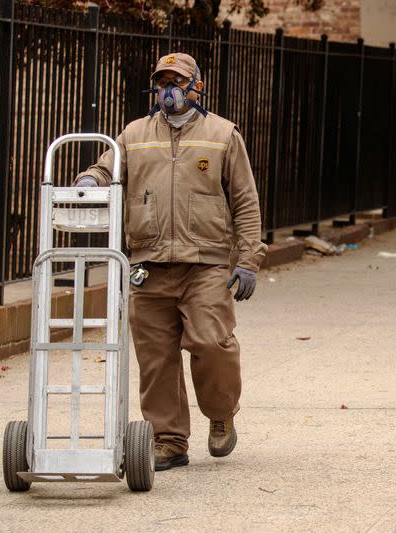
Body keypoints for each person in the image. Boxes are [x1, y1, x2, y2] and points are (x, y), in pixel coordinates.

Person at [75, 53, 267, 471]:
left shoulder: (222, 134)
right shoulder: (134, 134)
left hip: (207, 264)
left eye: (177, 81)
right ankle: (168, 440)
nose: (169, 89)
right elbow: (107, 167)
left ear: (198, 86)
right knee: (156, 356)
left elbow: (246, 201)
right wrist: (92, 178)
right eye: (162, 81)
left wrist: (249, 258)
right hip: (150, 262)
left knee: (212, 343)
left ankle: (220, 415)